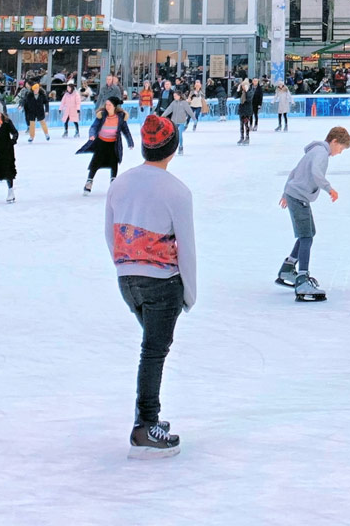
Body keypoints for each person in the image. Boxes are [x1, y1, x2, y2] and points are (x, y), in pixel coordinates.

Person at [104, 113, 196, 457]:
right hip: (163, 283)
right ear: (172, 148)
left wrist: (126, 267)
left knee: (152, 350)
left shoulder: (121, 183)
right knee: (154, 353)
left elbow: (109, 232)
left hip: (128, 281)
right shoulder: (177, 191)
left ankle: (148, 419)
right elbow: (186, 245)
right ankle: (145, 426)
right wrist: (189, 292)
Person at [275, 124, 350, 303]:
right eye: (340, 148)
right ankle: (302, 279)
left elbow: (294, 171)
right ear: (334, 141)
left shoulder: (315, 150)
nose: (339, 153)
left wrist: (286, 192)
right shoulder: (321, 154)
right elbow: (316, 173)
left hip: (296, 195)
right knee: (307, 237)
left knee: (307, 234)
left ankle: (288, 268)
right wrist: (329, 188)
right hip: (299, 197)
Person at [80, 96, 134, 193]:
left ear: (114, 106)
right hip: (101, 142)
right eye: (106, 104)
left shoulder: (120, 117)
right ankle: (89, 182)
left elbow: (126, 130)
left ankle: (113, 182)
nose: (107, 106)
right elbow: (94, 127)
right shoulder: (102, 115)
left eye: (109, 105)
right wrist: (92, 135)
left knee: (114, 162)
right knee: (96, 162)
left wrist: (130, 141)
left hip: (113, 143)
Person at [166, 89, 194, 153]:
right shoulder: (173, 103)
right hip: (174, 121)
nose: (174, 97)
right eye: (174, 96)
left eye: (175, 96)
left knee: (180, 134)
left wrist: (194, 118)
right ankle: (172, 148)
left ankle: (181, 147)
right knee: (173, 135)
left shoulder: (184, 103)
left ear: (179, 96)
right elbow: (168, 110)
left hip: (182, 122)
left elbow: (189, 111)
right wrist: (162, 116)